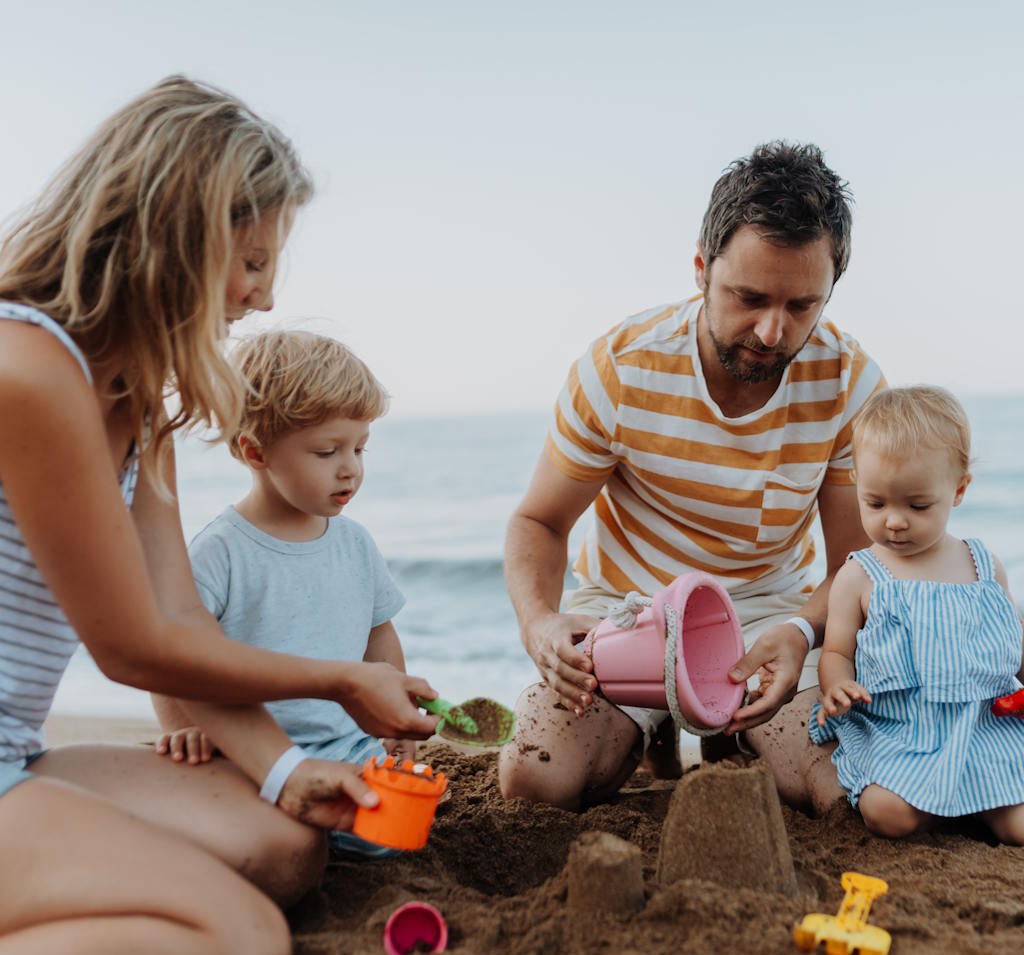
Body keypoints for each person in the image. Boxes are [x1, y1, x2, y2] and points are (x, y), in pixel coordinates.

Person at [0, 77, 439, 955]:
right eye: (249, 259)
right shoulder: (29, 375)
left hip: (14, 750)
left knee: (282, 847)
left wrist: (286, 772)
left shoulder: (138, 410)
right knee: (239, 942)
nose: (266, 293)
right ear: (174, 239)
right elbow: (131, 650)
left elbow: (180, 620)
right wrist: (340, 679)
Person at [499, 141, 885, 811]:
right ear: (702, 269)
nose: (771, 331)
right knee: (536, 778)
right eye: (749, 297)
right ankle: (651, 728)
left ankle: (726, 732)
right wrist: (540, 622)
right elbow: (540, 521)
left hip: (765, 614)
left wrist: (800, 635)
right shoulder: (620, 368)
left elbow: (855, 558)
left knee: (837, 788)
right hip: (627, 612)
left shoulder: (849, 380)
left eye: (801, 306)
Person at [152, 328, 416, 857]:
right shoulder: (221, 552)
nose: (351, 468)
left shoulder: (354, 543)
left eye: (360, 448)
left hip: (347, 740)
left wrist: (396, 713)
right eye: (326, 451)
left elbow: (377, 635)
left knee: (394, 831)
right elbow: (167, 653)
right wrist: (185, 727)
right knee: (277, 846)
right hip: (246, 746)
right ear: (256, 452)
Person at [807, 386, 1024, 840]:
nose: (895, 521)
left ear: (959, 490)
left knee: (1020, 826)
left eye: (918, 506)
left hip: (981, 726)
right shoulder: (860, 575)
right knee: (890, 815)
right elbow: (837, 651)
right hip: (903, 732)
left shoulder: (983, 565)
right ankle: (957, 805)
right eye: (876, 503)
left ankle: (970, 800)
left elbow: (1010, 642)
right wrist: (837, 685)